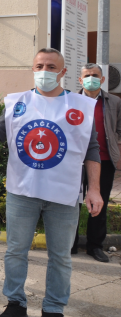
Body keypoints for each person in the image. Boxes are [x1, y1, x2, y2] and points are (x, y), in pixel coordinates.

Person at [0, 48, 103, 317]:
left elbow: (91, 150)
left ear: (63, 72)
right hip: (22, 192)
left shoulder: (80, 106)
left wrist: (95, 190)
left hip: (64, 194)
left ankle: (53, 308)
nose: (45, 71)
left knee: (61, 256)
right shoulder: (17, 102)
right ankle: (15, 304)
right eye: (40, 66)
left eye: (51, 67)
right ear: (33, 69)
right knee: (15, 251)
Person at [71, 63, 120, 263]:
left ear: (102, 79)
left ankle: (95, 246)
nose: (91, 79)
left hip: (104, 161)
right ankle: (70, 243)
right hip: (75, 161)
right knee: (72, 202)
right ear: (80, 80)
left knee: (99, 203)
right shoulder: (71, 100)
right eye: (87, 75)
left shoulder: (114, 102)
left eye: (95, 75)